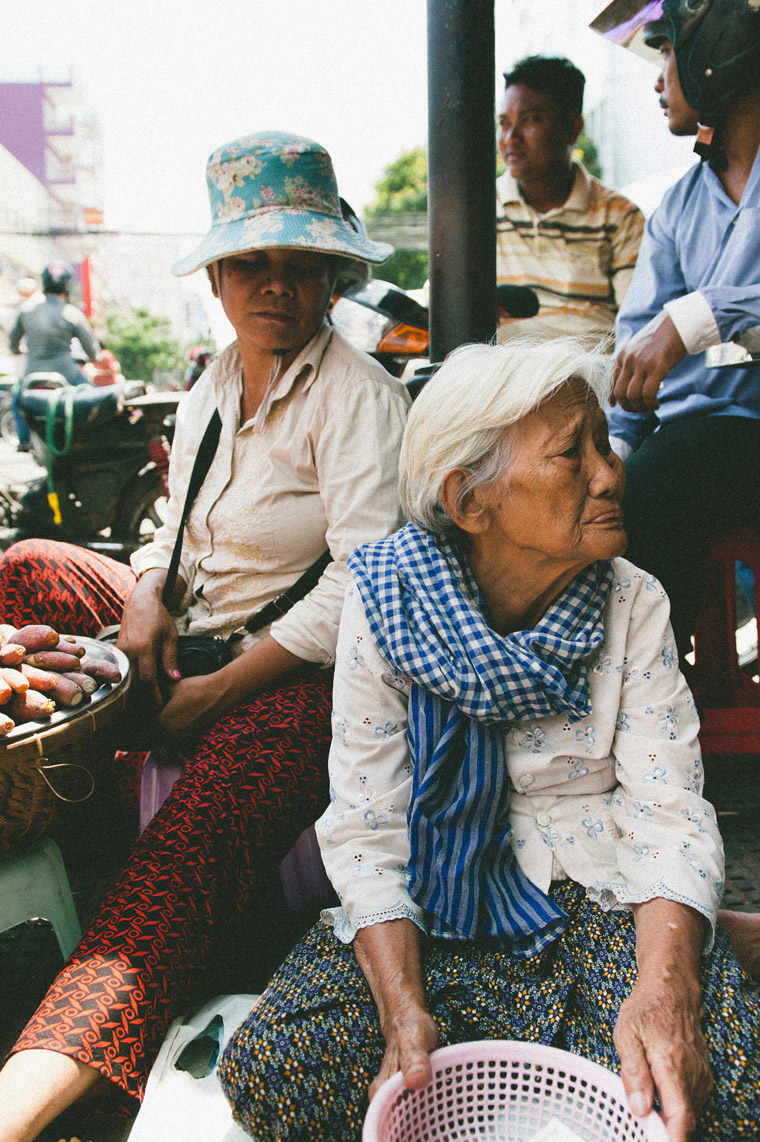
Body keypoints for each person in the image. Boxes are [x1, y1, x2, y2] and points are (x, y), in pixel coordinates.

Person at [219, 338, 760, 1142]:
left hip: (594, 885)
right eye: (570, 457)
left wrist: (666, 986)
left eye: (604, 445)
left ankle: (694, 949)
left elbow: (668, 806)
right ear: (471, 502)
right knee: (277, 1068)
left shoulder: (632, 599)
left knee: (717, 1093)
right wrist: (403, 1011)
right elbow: (369, 822)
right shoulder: (387, 602)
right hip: (437, 901)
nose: (611, 475)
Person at [0, 129, 410, 1142]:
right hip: (194, 641)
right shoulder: (212, 386)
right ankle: (45, 807)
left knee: (188, 846)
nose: (274, 286)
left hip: (293, 682)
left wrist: (211, 694)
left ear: (331, 277)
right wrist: (146, 598)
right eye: (250, 263)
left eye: (298, 265)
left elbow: (368, 588)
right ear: (220, 276)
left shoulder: (360, 398)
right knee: (26, 566)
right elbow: (173, 531)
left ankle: (38, 1082)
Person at [594, 0, 760, 674]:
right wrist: (612, 456)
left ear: (717, 53)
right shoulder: (681, 206)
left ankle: (651, 695)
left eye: (667, 52)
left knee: (661, 485)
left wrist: (689, 322)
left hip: (733, 435)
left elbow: (671, 328)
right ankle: (656, 685)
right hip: (698, 444)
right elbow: (636, 343)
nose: (659, 77)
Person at [496, 56, 645, 342]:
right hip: (504, 374)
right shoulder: (479, 212)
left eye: (529, 120)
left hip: (588, 378)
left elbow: (637, 328)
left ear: (572, 128)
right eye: (504, 123)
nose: (510, 137)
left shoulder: (620, 217)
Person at [8, 262, 101, 452]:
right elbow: (93, 351)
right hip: (67, 373)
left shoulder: (26, 310)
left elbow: (12, 343)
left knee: (16, 401)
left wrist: (20, 349)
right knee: (96, 402)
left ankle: (24, 441)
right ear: (67, 286)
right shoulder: (71, 313)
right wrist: (93, 358)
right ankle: (95, 439)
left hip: (31, 374)